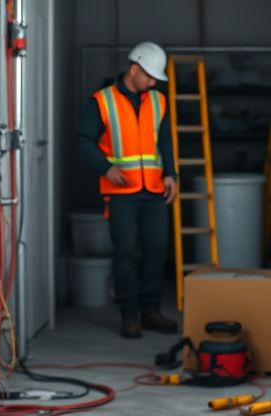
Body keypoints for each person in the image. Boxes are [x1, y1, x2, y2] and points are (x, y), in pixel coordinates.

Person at [75, 42, 179, 338]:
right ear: (134, 68)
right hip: (120, 192)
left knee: (156, 249)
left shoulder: (158, 101)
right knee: (124, 252)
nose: (153, 82)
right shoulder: (102, 100)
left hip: (155, 189)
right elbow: (82, 139)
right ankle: (129, 315)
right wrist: (106, 167)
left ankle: (151, 311)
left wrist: (171, 174)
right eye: (150, 76)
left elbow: (166, 142)